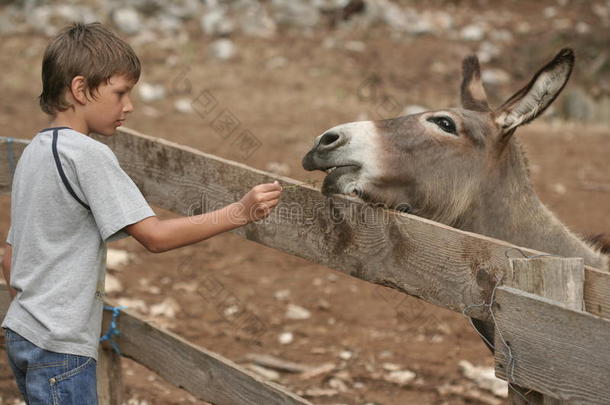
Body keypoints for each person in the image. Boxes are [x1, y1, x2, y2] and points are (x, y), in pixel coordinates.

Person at [0, 22, 282, 404]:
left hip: (23, 332)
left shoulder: (33, 151)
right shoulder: (88, 155)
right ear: (81, 89)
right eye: (120, 93)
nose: (128, 106)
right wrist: (239, 211)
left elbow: (10, 255)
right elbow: (154, 236)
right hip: (61, 347)